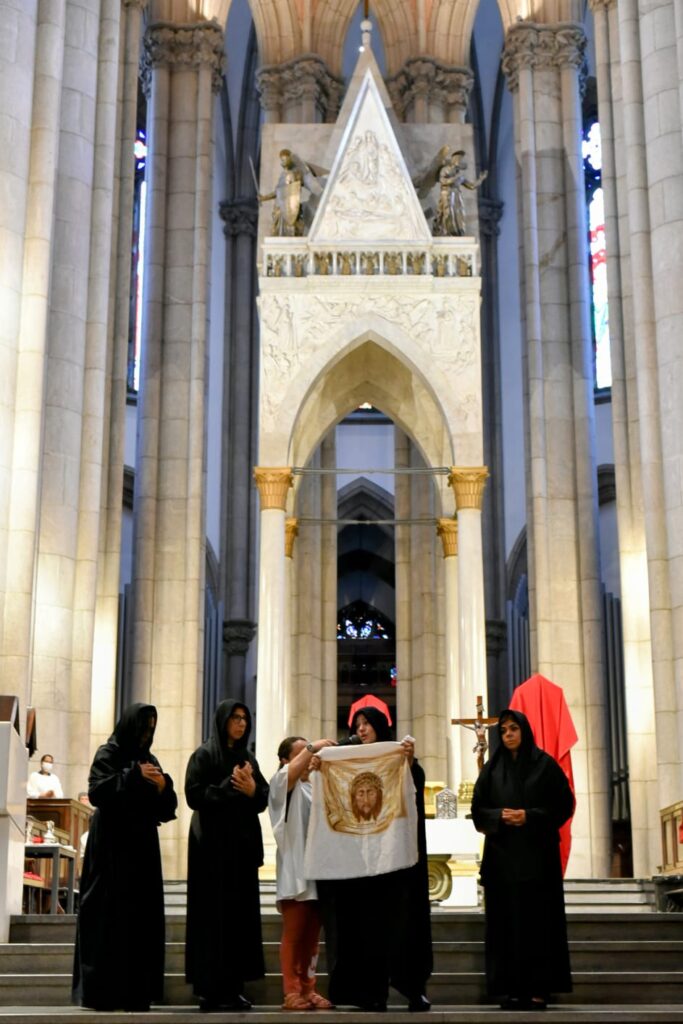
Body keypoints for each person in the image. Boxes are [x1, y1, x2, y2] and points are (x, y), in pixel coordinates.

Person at [315, 707, 432, 1012]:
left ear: (381, 726)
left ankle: (412, 989)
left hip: (394, 864)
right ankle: (369, 993)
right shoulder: (346, 756)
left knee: (403, 926)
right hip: (361, 866)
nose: (363, 729)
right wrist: (318, 765)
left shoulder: (398, 757)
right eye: (358, 724)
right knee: (364, 931)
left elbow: (414, 786)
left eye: (367, 723)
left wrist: (407, 760)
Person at [72, 703, 177, 1012]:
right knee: (106, 914)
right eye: (143, 727)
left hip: (142, 847)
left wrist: (162, 787)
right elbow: (97, 792)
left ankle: (137, 990)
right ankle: (102, 992)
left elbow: (166, 808)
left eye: (151, 728)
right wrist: (133, 775)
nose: (147, 734)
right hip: (111, 848)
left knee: (140, 917)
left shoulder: (151, 760)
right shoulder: (109, 753)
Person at [471, 708, 575, 1011]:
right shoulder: (492, 769)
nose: (508, 735)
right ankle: (511, 989)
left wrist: (529, 816)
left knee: (537, 927)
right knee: (506, 927)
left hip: (537, 862)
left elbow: (563, 806)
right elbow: (478, 811)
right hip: (503, 863)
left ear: (524, 731)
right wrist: (499, 816)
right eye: (503, 731)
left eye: (513, 729)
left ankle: (539, 990)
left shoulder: (545, 766)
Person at [185, 700, 269, 1012]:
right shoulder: (204, 754)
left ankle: (234, 988)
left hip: (241, 851)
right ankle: (208, 990)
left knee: (239, 920)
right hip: (211, 850)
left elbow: (263, 797)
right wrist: (232, 786)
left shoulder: (248, 757)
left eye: (245, 718)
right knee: (211, 919)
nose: (241, 724)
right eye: (235, 718)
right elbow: (194, 794)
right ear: (223, 721)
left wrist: (250, 791)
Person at [269, 734, 336, 1011]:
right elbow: (291, 774)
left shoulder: (314, 786)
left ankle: (309, 989)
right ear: (285, 761)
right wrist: (313, 747)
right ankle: (291, 991)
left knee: (312, 938)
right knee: (294, 935)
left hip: (318, 871)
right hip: (295, 871)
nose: (307, 760)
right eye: (300, 755)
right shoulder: (282, 784)